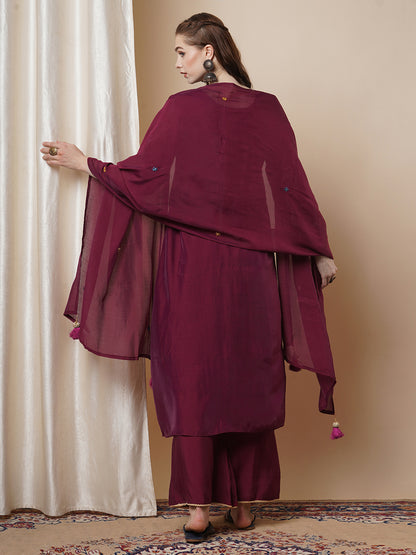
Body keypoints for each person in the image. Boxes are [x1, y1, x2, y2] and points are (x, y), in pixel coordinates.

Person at [41, 13, 338, 544]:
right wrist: (317, 248)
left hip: (189, 267)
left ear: (208, 51)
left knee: (193, 377)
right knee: (246, 375)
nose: (177, 64)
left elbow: (147, 180)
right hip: (250, 270)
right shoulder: (268, 109)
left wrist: (87, 164)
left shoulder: (181, 110)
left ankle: (199, 511)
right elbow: (291, 187)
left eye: (182, 52)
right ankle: (243, 507)